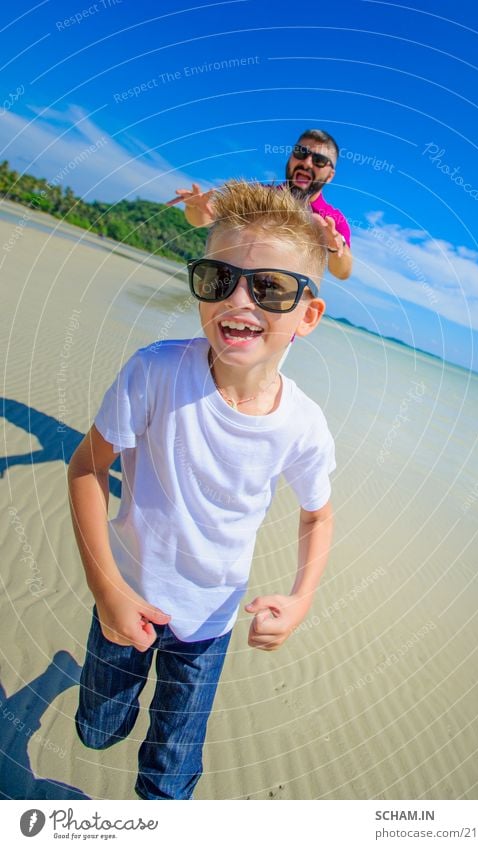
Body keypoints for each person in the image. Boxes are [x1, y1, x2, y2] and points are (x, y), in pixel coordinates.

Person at [69, 180, 335, 800]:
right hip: (126, 595)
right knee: (97, 731)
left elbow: (317, 516)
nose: (239, 300)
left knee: (170, 779)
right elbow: (85, 467)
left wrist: (300, 600)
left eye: (269, 287)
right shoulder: (156, 371)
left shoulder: (303, 426)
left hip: (211, 621)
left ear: (308, 316)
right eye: (219, 278)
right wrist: (106, 590)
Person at [167, 129, 353, 280]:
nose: (306, 163)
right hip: (231, 289)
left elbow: (343, 271)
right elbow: (203, 219)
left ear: (330, 176)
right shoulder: (261, 196)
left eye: (319, 161)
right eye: (300, 153)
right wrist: (195, 207)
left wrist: (335, 246)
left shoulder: (332, 220)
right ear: (291, 158)